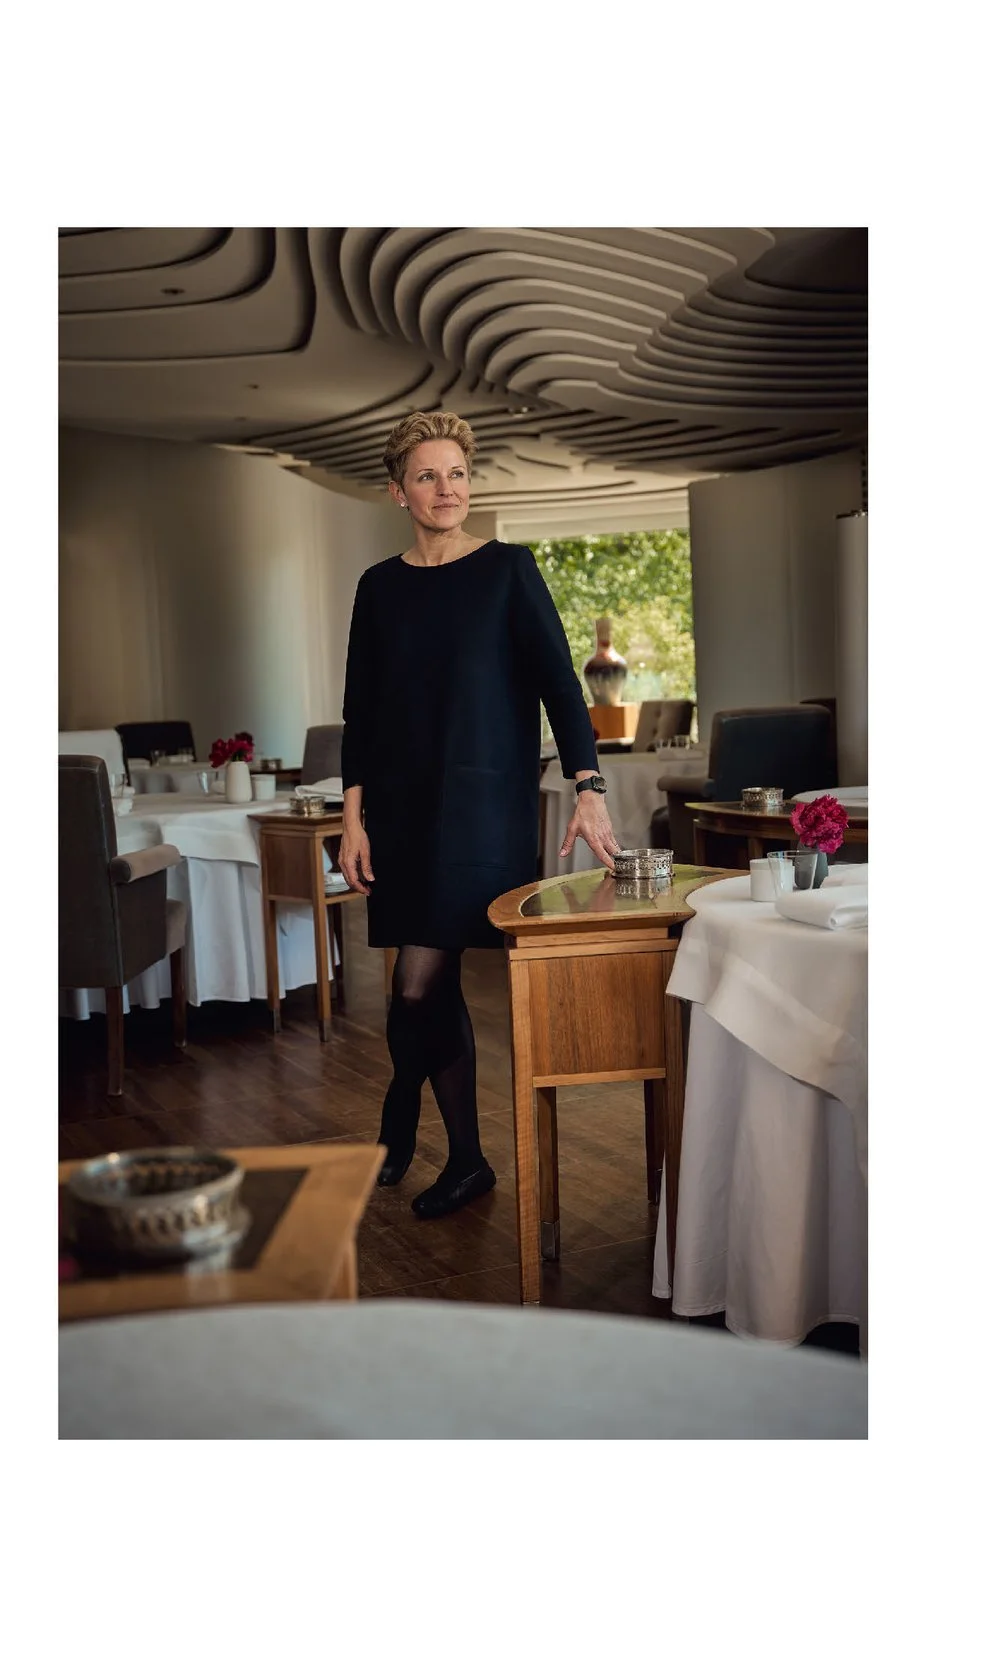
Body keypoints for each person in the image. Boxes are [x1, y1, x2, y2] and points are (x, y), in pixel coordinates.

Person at [337, 411, 622, 1219]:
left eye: (457, 473)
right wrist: (353, 816)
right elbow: (361, 711)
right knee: (420, 986)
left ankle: (426, 1122)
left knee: (420, 982)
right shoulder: (377, 587)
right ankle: (450, 1144)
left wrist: (588, 783)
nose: (446, 488)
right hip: (398, 808)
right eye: (427, 475)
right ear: (399, 490)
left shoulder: (507, 570)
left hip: (481, 805)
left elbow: (561, 685)